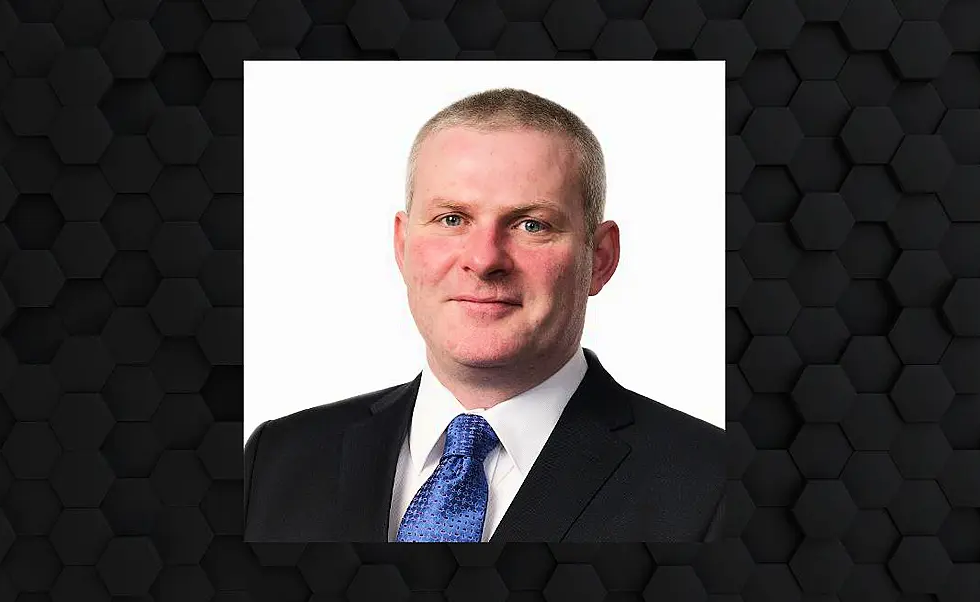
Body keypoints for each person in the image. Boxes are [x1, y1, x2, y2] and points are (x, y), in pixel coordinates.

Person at [244, 88, 724, 542]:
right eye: (452, 219)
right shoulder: (278, 458)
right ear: (403, 244)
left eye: (531, 224)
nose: (484, 258)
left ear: (599, 258)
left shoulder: (715, 485)